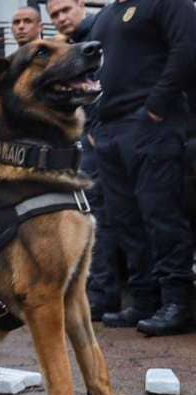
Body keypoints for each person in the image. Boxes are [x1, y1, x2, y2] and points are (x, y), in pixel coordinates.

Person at [90, 0, 196, 336]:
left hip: (152, 124)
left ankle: (177, 302)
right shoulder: (105, 16)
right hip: (110, 129)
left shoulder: (168, 2)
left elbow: (187, 50)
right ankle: (145, 299)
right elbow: (92, 70)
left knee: (161, 214)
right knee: (126, 220)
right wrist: (94, 123)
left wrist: (155, 106)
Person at [46, 0, 121, 321]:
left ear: (80, 4)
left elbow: (113, 83)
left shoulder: (100, 34)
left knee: (100, 216)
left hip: (107, 136)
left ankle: (105, 295)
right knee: (95, 215)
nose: (61, 18)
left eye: (66, 10)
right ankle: (101, 294)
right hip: (91, 140)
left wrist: (95, 129)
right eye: (55, 15)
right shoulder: (72, 44)